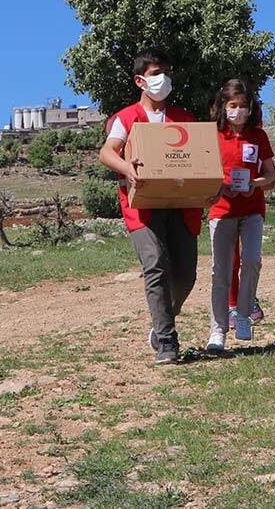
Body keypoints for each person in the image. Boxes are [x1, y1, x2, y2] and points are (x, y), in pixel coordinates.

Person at [98, 48, 200, 364]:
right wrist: (127, 167)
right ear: (140, 80)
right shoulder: (125, 118)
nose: (164, 79)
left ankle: (161, 322)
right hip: (141, 207)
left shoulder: (185, 119)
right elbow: (107, 152)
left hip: (182, 205)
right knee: (155, 264)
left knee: (185, 275)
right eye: (157, 73)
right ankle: (168, 342)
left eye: (167, 72)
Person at [206, 78, 275, 351]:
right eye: (233, 105)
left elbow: (270, 175)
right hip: (222, 211)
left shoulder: (259, 136)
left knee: (251, 260)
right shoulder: (213, 135)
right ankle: (218, 330)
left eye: (243, 105)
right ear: (223, 106)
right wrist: (220, 187)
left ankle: (244, 316)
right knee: (220, 271)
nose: (238, 110)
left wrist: (254, 184)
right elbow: (203, 173)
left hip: (252, 211)